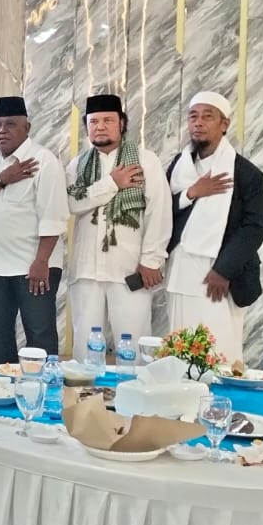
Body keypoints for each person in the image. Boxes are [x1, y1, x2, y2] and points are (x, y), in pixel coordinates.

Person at [165, 91, 263, 363]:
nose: (198, 122)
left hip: (220, 277)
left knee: (219, 352)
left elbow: (254, 227)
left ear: (224, 124)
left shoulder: (246, 173)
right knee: (180, 350)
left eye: (207, 116)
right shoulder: (178, 166)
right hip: (181, 271)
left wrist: (223, 270)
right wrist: (191, 193)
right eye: (193, 116)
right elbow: (161, 210)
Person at [65, 93, 172, 346]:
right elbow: (72, 203)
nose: (100, 127)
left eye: (108, 120)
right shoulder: (77, 165)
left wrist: (151, 260)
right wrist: (112, 183)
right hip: (86, 270)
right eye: (93, 121)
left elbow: (159, 212)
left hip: (129, 268)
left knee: (133, 344)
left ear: (121, 123)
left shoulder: (146, 161)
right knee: (85, 346)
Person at [0, 96, 69, 364]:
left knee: (40, 335)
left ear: (27, 127)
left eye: (10, 124)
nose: (2, 131)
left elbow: (54, 216)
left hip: (32, 267)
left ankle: (42, 387)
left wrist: (41, 262)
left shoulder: (43, 161)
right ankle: (5, 385)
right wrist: (2, 179)